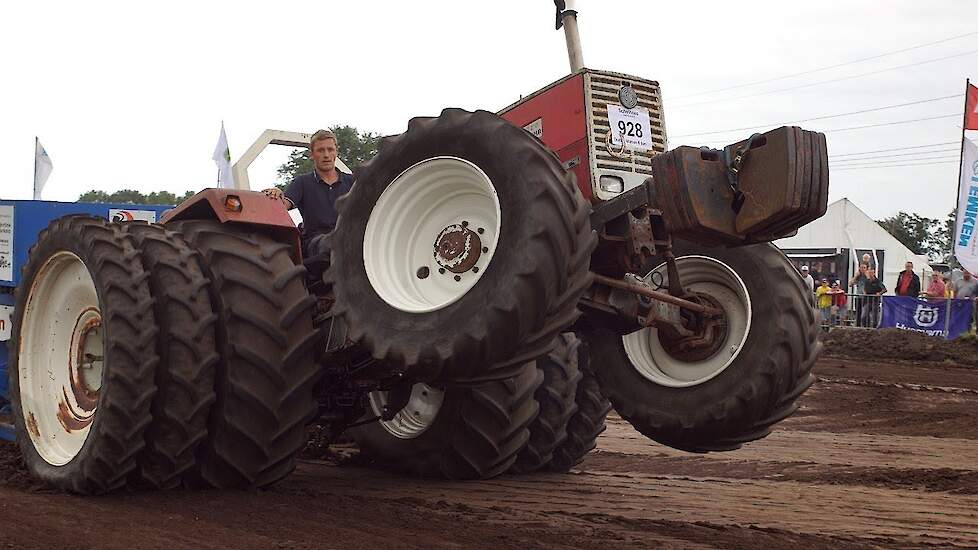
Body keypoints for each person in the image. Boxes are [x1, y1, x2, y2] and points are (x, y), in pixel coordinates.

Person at [262, 129, 354, 257]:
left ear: (336, 152)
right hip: (315, 242)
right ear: (311, 154)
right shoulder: (302, 182)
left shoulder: (353, 182)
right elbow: (282, 205)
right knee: (333, 242)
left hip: (351, 237)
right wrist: (276, 194)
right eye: (321, 150)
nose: (326, 155)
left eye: (330, 149)